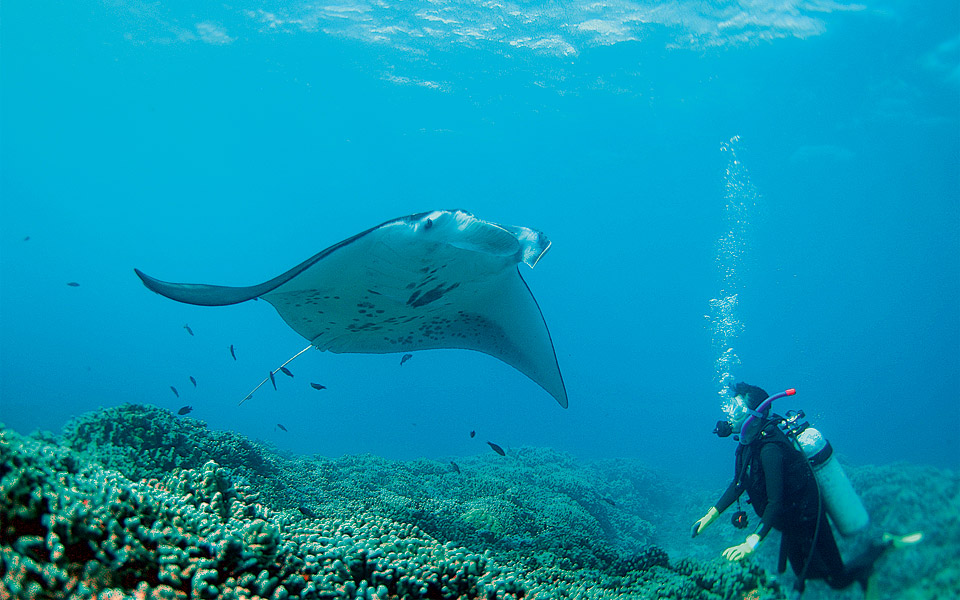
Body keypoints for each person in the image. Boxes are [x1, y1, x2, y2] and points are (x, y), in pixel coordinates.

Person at [690, 382, 921, 594]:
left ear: (755, 414)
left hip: (807, 518)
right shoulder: (747, 444)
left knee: (837, 579)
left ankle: (881, 549)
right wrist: (710, 516)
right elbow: (739, 482)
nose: (731, 414)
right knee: (805, 574)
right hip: (789, 523)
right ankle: (868, 565)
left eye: (737, 408)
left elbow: (775, 501)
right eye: (732, 406)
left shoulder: (770, 449)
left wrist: (752, 541)